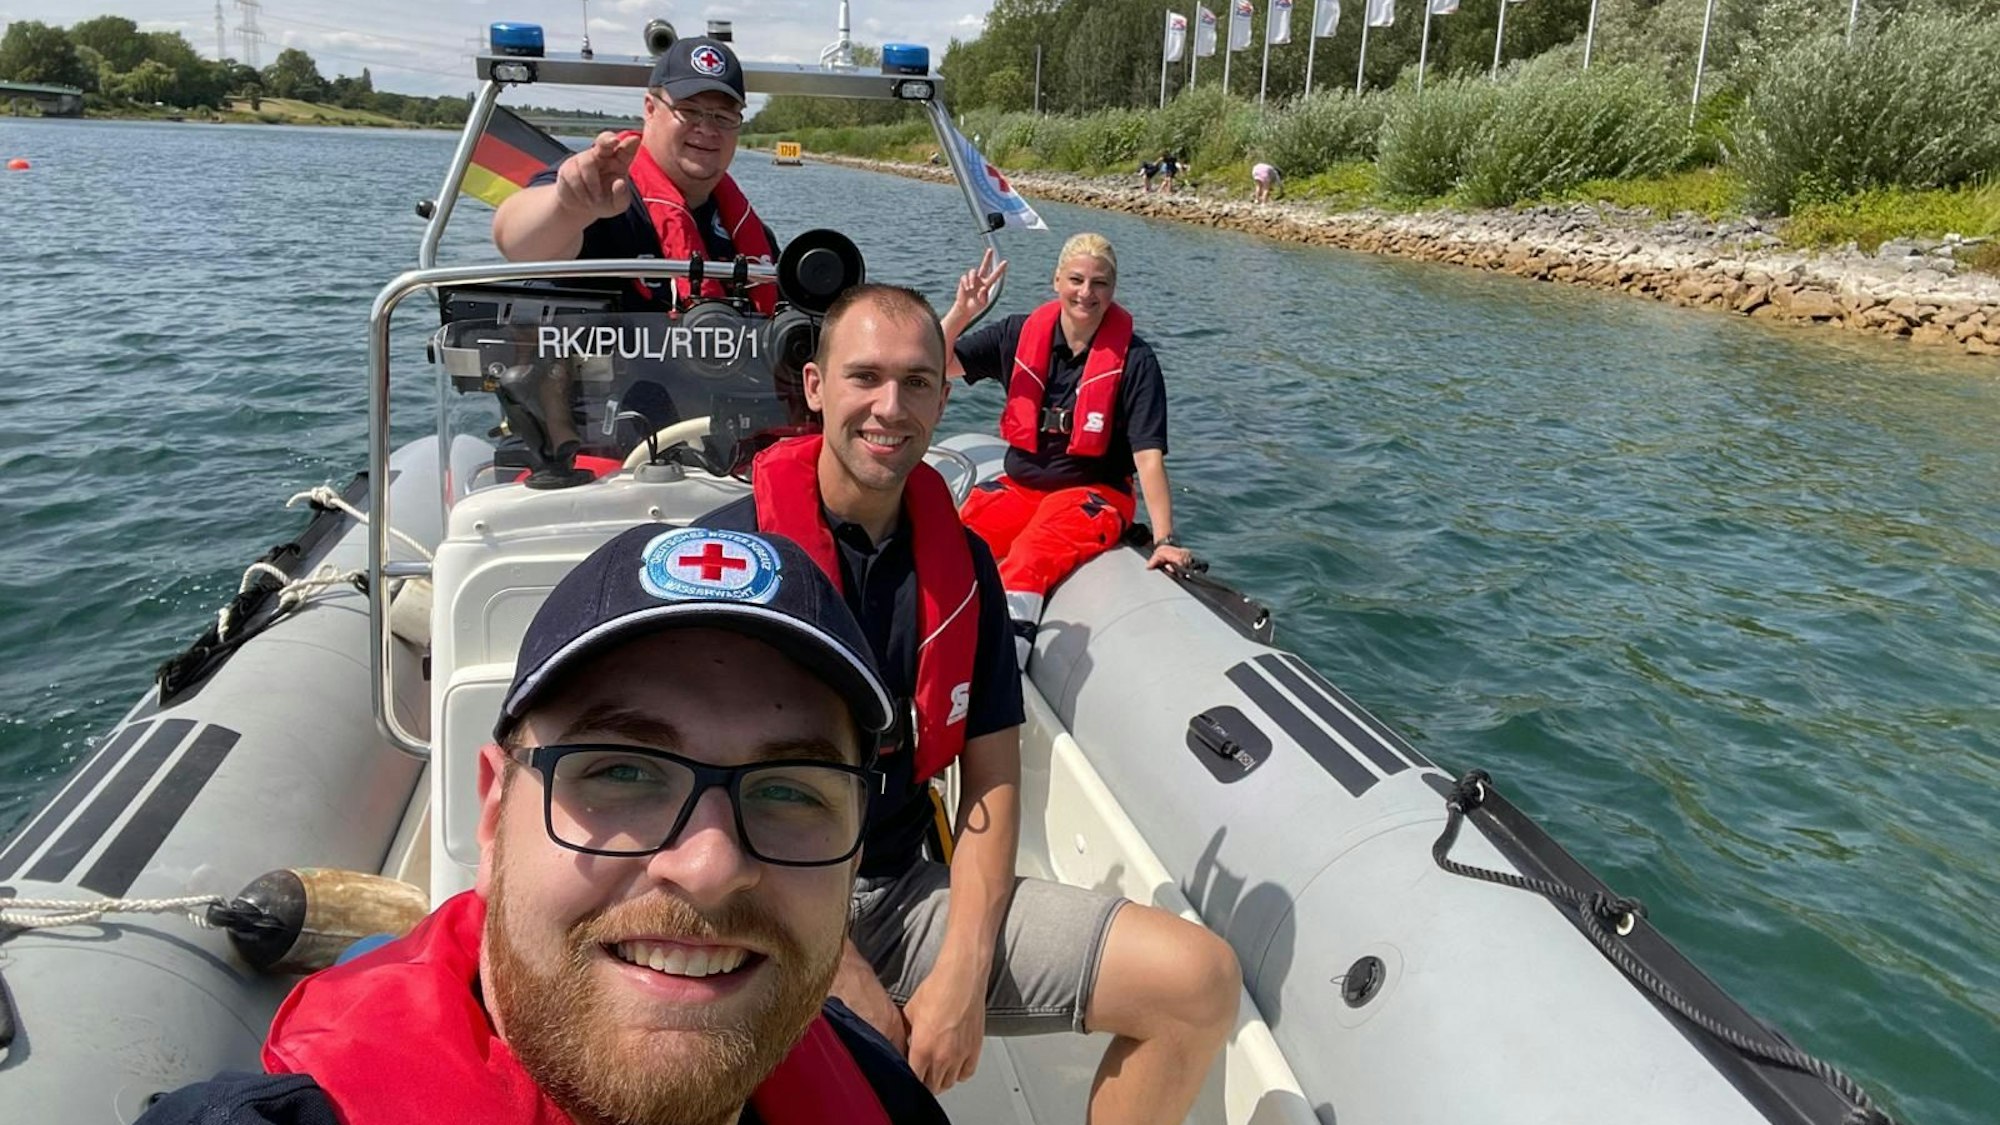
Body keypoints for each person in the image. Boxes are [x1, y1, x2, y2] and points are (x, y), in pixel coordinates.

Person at [138, 526, 951, 1125]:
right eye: (623, 771)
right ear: (493, 812)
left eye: (792, 789)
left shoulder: (877, 1084)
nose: (709, 864)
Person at [698, 285, 1241, 1125]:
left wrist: (961, 967)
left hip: (900, 892)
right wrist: (840, 979)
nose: (890, 407)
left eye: (918, 383)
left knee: (1195, 984)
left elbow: (990, 779)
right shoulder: (730, 567)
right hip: (754, 908)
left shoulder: (964, 572)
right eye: (865, 378)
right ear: (814, 387)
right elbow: (698, 823)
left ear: (945, 398)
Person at [940, 235, 1195, 658]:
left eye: (1100, 284)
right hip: (1021, 485)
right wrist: (960, 314)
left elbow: (1148, 457)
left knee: (1029, 555)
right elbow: (940, 364)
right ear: (1056, 280)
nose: (1086, 293)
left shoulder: (1136, 360)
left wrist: (1166, 537)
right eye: (1076, 279)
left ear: (1113, 290)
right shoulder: (1017, 334)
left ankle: (1002, 671)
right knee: (951, 541)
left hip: (1093, 492)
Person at [492, 36, 779, 313]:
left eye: (723, 117)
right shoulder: (601, 187)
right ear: (651, 109)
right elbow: (517, 242)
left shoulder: (751, 236)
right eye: (689, 111)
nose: (706, 128)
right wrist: (566, 207)